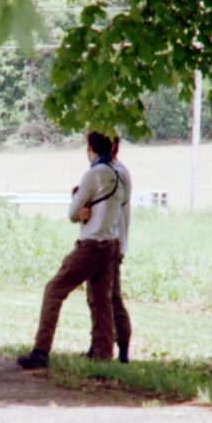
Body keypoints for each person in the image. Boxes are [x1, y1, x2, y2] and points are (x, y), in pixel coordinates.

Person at [18, 131, 124, 370]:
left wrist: (81, 209)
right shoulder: (119, 175)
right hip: (110, 244)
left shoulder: (94, 174)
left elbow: (72, 213)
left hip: (91, 244)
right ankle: (103, 352)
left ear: (90, 148)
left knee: (54, 290)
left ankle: (41, 350)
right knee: (101, 300)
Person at [86, 136, 133, 363]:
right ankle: (98, 343)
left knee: (110, 297)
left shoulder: (116, 172)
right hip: (108, 240)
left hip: (111, 241)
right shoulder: (110, 171)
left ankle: (120, 345)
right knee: (97, 296)